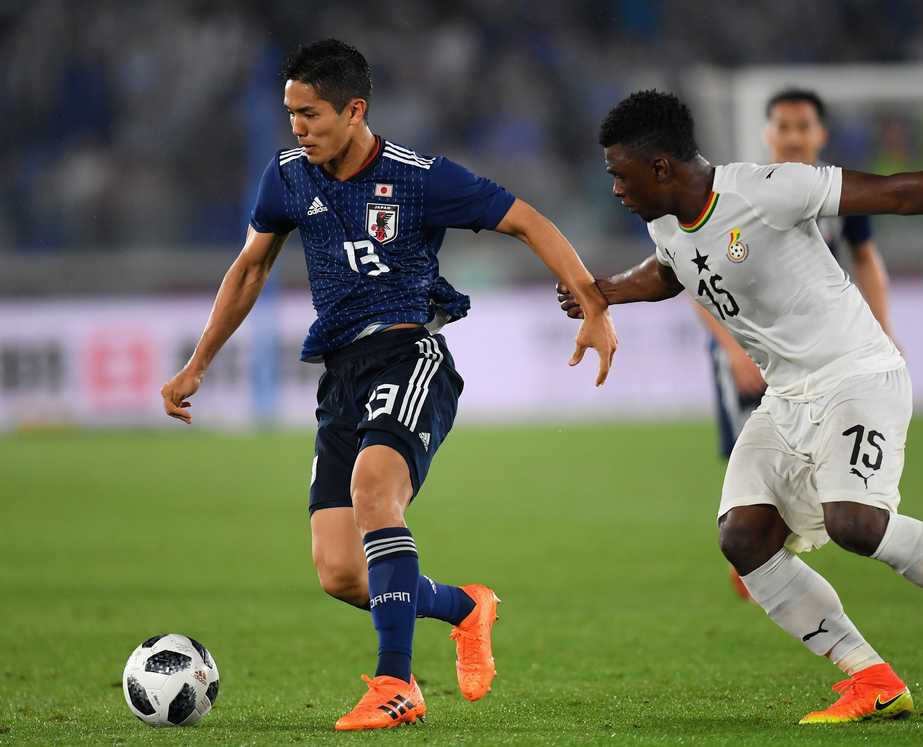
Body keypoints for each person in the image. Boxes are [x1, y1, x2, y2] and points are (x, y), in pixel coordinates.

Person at [558, 90, 923, 724]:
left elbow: (899, 194)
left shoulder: (767, 191)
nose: (615, 189)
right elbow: (676, 269)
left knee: (856, 523)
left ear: (660, 168)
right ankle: (871, 677)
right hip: (787, 395)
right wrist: (608, 291)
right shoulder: (664, 221)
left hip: (856, 376)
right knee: (743, 536)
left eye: (619, 175)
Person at [160, 39, 618, 731]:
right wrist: (198, 361)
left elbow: (527, 220)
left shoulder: (417, 178)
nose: (298, 128)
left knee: (376, 491)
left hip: (409, 355)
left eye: (310, 114)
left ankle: (396, 684)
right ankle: (467, 608)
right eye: (290, 114)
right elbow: (250, 269)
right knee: (342, 573)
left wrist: (592, 303)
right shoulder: (286, 178)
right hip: (341, 375)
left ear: (354, 110)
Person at [700, 88, 894, 601]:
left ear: (820, 134)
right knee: (754, 461)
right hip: (752, 351)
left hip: (820, 357)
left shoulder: (837, 192)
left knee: (813, 452)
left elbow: (867, 260)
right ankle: (761, 551)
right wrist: (732, 350)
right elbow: (696, 279)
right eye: (782, 127)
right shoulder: (740, 195)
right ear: (768, 134)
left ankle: (773, 554)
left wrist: (883, 332)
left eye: (802, 127)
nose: (792, 137)